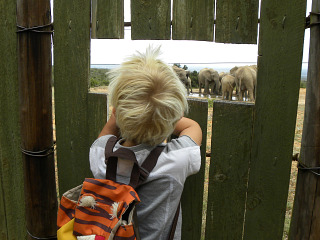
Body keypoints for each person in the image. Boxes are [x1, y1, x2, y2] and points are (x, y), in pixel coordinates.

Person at [89, 46, 202, 240]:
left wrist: (120, 115)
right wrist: (169, 120)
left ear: (116, 112)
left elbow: (105, 135)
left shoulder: (101, 155)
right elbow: (193, 127)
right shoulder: (177, 160)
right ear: (175, 118)